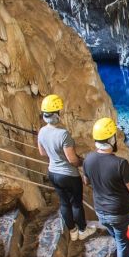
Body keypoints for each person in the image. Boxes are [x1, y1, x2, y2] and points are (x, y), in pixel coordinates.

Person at [82, 117, 129, 257]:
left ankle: (127, 255)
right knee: (122, 241)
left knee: (117, 236)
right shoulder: (120, 164)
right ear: (111, 139)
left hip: (100, 211)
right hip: (119, 212)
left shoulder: (88, 159)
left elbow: (86, 182)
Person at [37, 94, 96, 242]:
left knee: (64, 203)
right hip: (68, 175)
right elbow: (72, 160)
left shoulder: (42, 131)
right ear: (57, 114)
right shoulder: (63, 134)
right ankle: (83, 230)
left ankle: (73, 231)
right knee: (76, 204)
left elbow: (42, 152)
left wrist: (55, 156)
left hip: (53, 172)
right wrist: (83, 162)